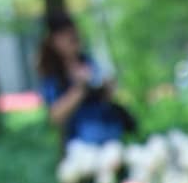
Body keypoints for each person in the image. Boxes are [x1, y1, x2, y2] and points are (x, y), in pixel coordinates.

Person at [37, 11, 137, 146]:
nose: (73, 40)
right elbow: (55, 117)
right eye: (67, 37)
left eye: (74, 36)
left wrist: (107, 88)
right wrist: (80, 88)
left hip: (111, 137)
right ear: (54, 41)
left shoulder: (89, 63)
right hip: (81, 147)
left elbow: (106, 98)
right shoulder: (53, 74)